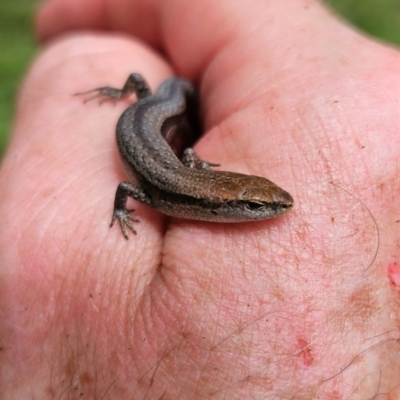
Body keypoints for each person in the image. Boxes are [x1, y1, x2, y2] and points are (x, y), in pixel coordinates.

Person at [1, 0, 400, 398]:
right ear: (220, 206)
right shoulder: (160, 195)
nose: (268, 209)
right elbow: (125, 190)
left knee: (167, 94)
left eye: (256, 203)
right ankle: (128, 90)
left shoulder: (183, 185)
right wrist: (121, 215)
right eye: (253, 206)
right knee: (143, 84)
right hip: (151, 120)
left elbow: (184, 161)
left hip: (164, 120)